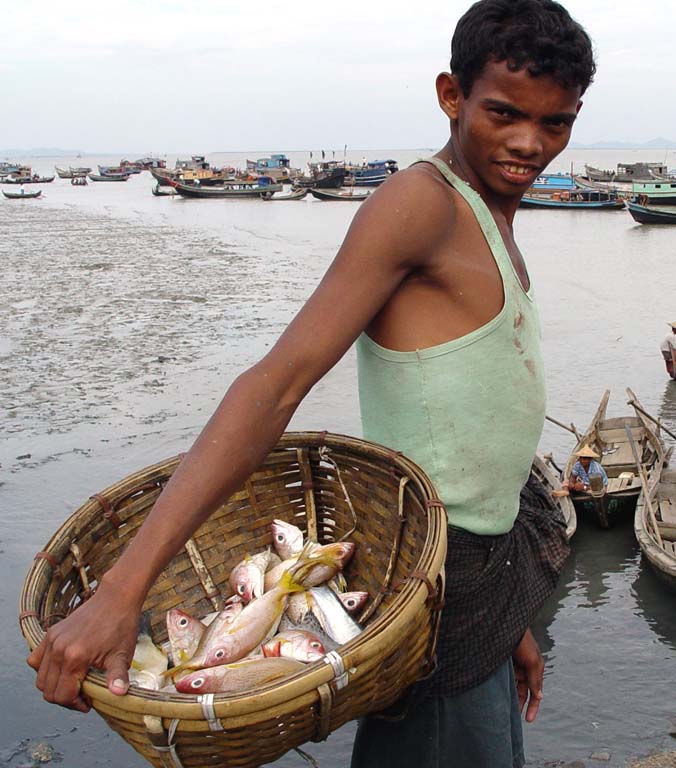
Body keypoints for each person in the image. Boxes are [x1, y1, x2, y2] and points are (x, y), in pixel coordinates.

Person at [28, 3, 597, 766]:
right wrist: (122, 590)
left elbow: (474, 440)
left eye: (555, 123)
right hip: (433, 577)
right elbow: (275, 384)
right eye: (503, 113)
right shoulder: (419, 205)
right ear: (451, 96)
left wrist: (507, 623)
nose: (530, 143)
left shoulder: (492, 214)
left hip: (475, 591)